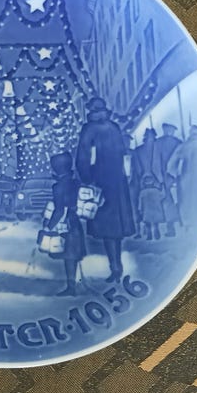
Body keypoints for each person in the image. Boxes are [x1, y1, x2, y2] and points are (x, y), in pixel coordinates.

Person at [76, 97, 135, 283]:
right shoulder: (114, 127)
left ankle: (115, 267)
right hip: (117, 182)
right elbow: (124, 154)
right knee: (116, 228)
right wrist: (126, 176)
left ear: (91, 111)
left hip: (100, 181)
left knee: (107, 228)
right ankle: (117, 266)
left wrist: (86, 179)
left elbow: (83, 157)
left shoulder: (89, 129)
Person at [46, 151, 88, 296]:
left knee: (68, 256)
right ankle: (73, 284)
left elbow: (58, 210)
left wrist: (48, 227)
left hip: (65, 224)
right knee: (73, 255)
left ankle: (71, 287)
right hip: (75, 222)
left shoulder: (58, 187)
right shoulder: (76, 183)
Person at [167, 124, 197, 229]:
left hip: (185, 177)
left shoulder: (183, 146)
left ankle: (187, 223)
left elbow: (170, 165)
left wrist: (176, 175)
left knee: (185, 200)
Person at [152, 122, 181, 236]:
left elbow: (155, 164)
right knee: (177, 199)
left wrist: (160, 179)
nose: (170, 132)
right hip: (176, 176)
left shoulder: (158, 143)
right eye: (169, 130)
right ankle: (176, 225)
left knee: (169, 201)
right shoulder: (178, 142)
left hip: (168, 177)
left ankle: (172, 227)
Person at [138, 174, 165, 240]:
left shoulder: (142, 192)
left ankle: (149, 236)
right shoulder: (156, 190)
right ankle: (156, 233)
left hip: (147, 211)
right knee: (155, 223)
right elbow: (162, 197)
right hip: (155, 210)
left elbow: (140, 203)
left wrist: (140, 209)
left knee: (148, 224)